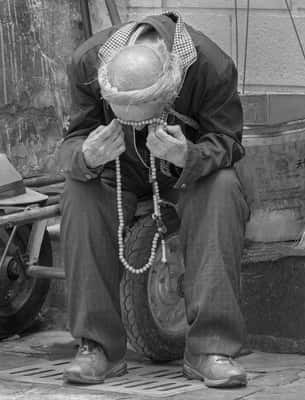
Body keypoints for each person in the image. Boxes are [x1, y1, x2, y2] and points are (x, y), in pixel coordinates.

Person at [58, 11, 250, 389]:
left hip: (183, 169)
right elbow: (72, 142)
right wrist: (86, 156)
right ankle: (98, 348)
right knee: (78, 190)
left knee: (223, 187)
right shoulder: (86, 61)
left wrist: (188, 157)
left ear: (171, 86)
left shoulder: (211, 65)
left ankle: (211, 349)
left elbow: (228, 142)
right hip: (118, 169)